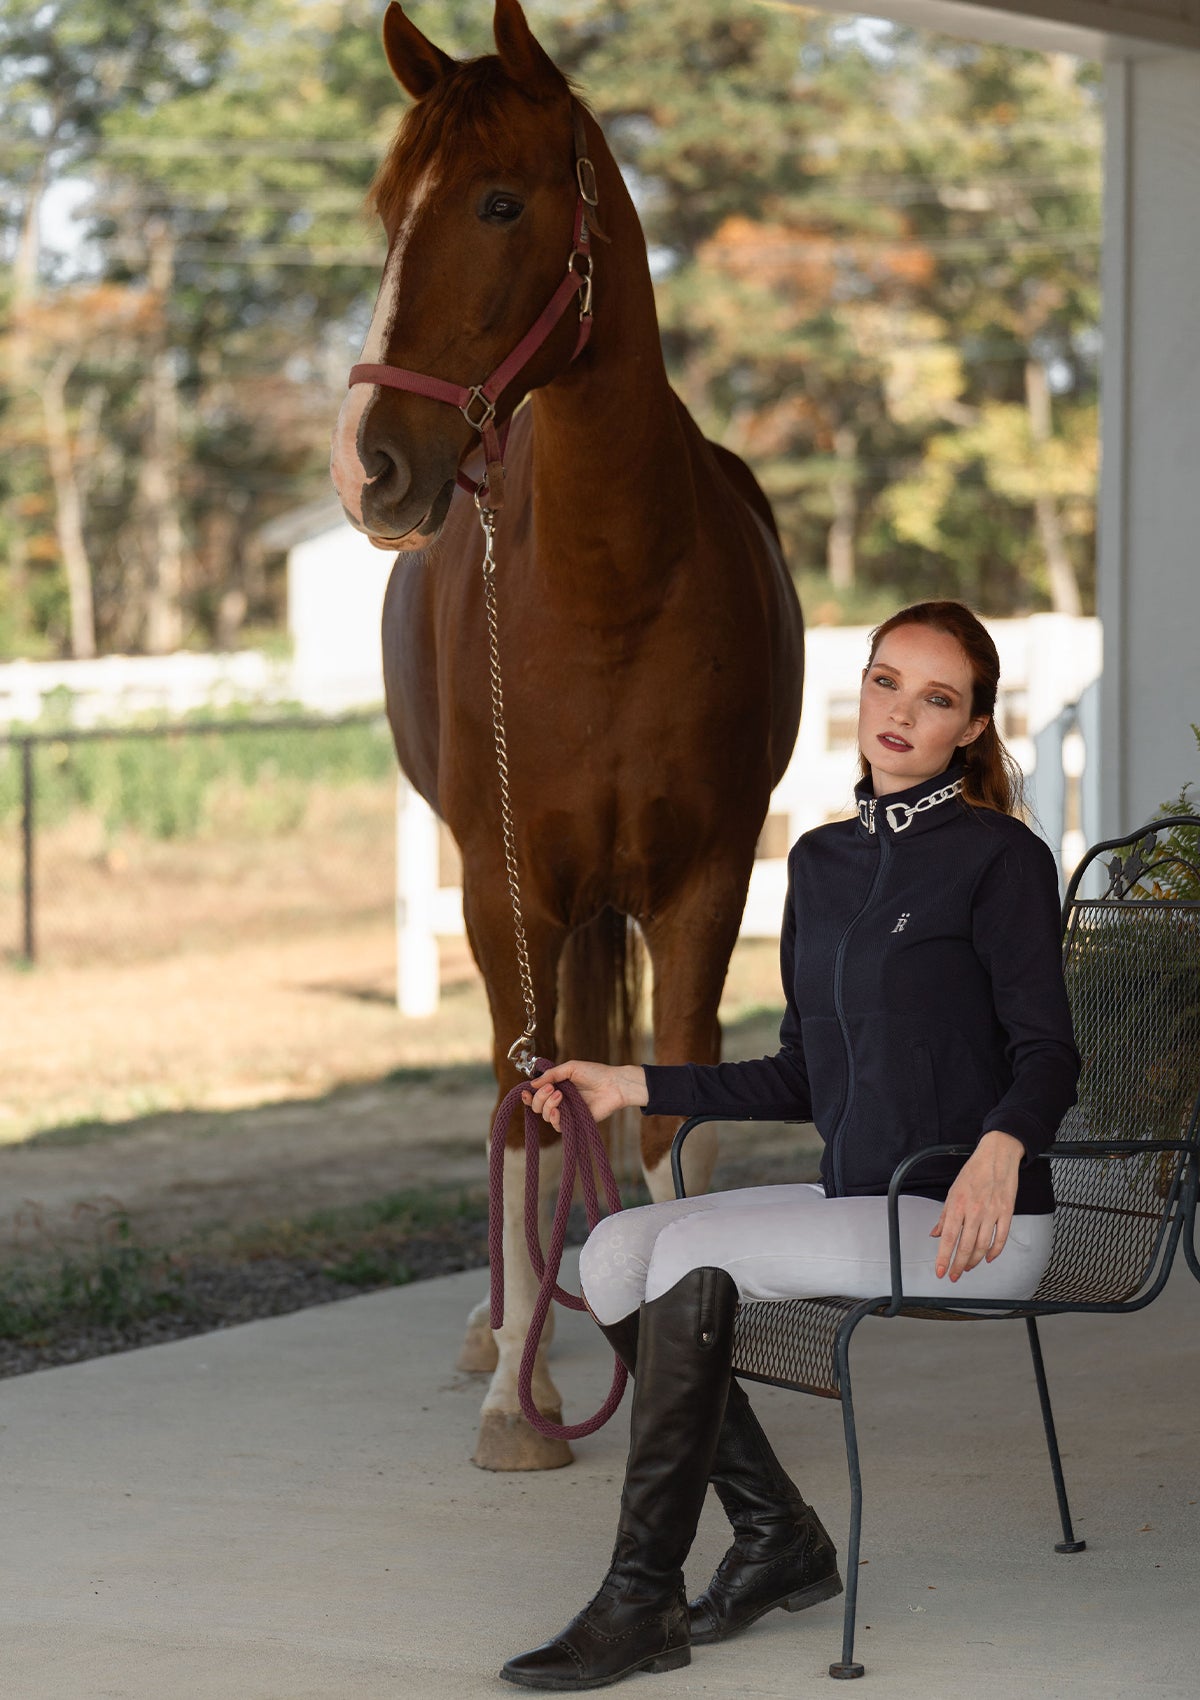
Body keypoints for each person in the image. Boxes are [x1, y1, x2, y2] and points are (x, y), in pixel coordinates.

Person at [500, 601, 1080, 1693]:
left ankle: (640, 1597)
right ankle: (778, 1538)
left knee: (683, 1260)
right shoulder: (819, 864)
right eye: (885, 681)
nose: (901, 710)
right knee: (620, 1248)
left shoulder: (1001, 859)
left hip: (974, 1224)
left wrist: (1003, 1143)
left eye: (936, 697)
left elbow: (1050, 1050)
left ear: (971, 726)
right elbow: (802, 1072)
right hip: (862, 1197)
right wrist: (631, 1081)